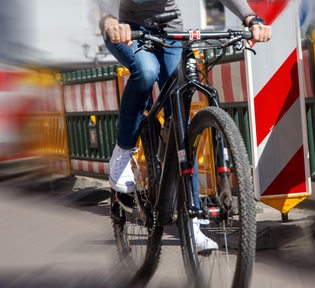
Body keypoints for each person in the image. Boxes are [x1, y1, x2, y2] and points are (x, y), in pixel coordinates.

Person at [99, 0, 271, 252]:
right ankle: (122, 153)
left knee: (180, 115)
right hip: (128, 28)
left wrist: (250, 18)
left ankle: (192, 226)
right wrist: (110, 21)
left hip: (169, 29)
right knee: (146, 71)